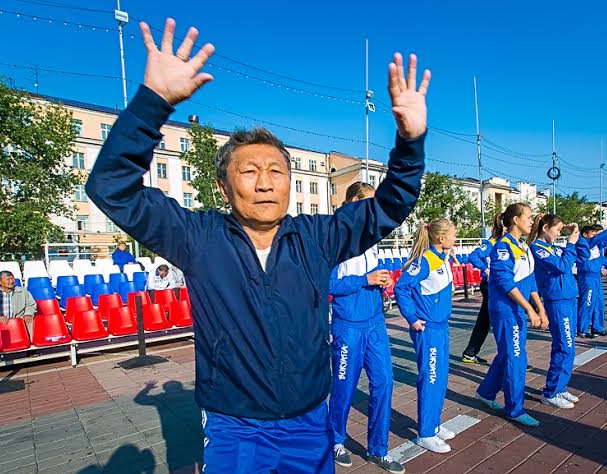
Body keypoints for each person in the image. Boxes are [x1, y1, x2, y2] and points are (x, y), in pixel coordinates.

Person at [85, 18, 430, 473]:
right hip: (235, 426)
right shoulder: (197, 238)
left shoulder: (318, 237)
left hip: (310, 421)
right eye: (249, 172)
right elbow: (111, 187)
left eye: (276, 172)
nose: (265, 184)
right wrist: (152, 104)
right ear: (223, 188)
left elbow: (389, 206)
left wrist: (410, 143)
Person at [328, 182, 403, 473]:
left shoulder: (372, 238)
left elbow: (374, 276)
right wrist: (365, 280)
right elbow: (327, 284)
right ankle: (336, 440)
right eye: (368, 202)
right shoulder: (335, 239)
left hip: (375, 324)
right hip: (348, 327)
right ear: (351, 203)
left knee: (384, 383)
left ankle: (378, 449)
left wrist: (384, 282)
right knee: (344, 387)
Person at [476, 203, 549, 428]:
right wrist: (529, 309)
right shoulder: (502, 248)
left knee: (508, 353)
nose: (531, 221)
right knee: (516, 358)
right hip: (507, 311)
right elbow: (505, 282)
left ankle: (486, 392)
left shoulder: (523, 247)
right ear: (515, 220)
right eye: (528, 217)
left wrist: (540, 308)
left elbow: (531, 281)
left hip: (519, 308)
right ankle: (515, 409)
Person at [394, 219, 457, 454]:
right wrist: (412, 318)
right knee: (430, 379)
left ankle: (434, 423)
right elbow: (401, 288)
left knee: (440, 378)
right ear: (440, 238)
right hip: (427, 329)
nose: (455, 238)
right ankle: (425, 433)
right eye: (452, 235)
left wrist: (449, 254)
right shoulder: (424, 261)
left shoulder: (442, 258)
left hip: (442, 327)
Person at [528, 214, 580, 410]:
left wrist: (574, 236)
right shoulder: (537, 248)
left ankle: (560, 387)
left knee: (570, 346)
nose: (559, 234)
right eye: (556, 230)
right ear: (545, 228)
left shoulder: (554, 247)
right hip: (557, 301)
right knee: (563, 346)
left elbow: (578, 254)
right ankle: (550, 392)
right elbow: (561, 266)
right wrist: (571, 244)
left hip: (569, 299)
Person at [460, 213, 504, 364]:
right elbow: (473, 256)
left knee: (485, 320)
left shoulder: (509, 242)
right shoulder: (492, 242)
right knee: (500, 319)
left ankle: (470, 352)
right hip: (491, 285)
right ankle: (510, 357)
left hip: (499, 285)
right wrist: (486, 269)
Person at [575, 222, 607, 338]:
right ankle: (582, 329)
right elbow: (599, 238)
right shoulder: (583, 243)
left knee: (599, 303)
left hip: (595, 278)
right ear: (585, 234)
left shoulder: (596, 246)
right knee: (587, 303)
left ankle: (597, 327)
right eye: (592, 234)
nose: (595, 237)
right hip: (587, 277)